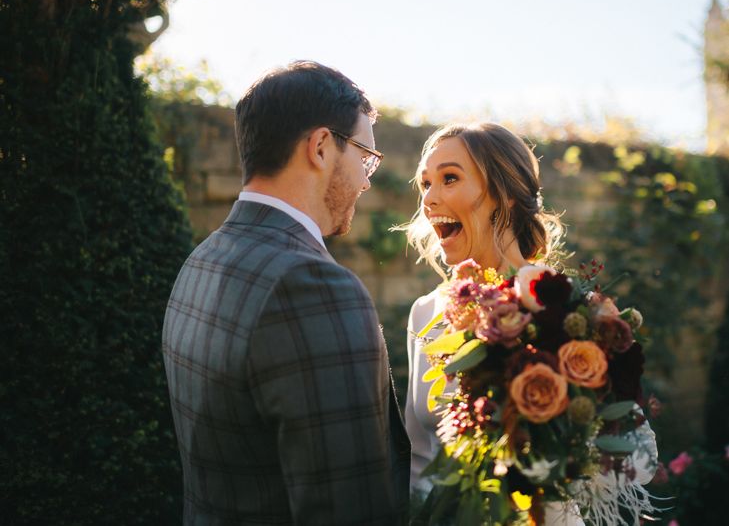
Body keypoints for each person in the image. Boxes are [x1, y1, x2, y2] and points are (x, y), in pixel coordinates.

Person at [162, 61, 410, 525]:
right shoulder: (314, 288)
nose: (366, 178)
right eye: (365, 155)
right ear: (320, 147)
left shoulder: (201, 261)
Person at [403, 122, 656, 525]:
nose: (429, 198)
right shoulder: (425, 312)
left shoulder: (575, 313)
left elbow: (633, 457)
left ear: (503, 194)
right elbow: (419, 457)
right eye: (425, 184)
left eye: (449, 178)